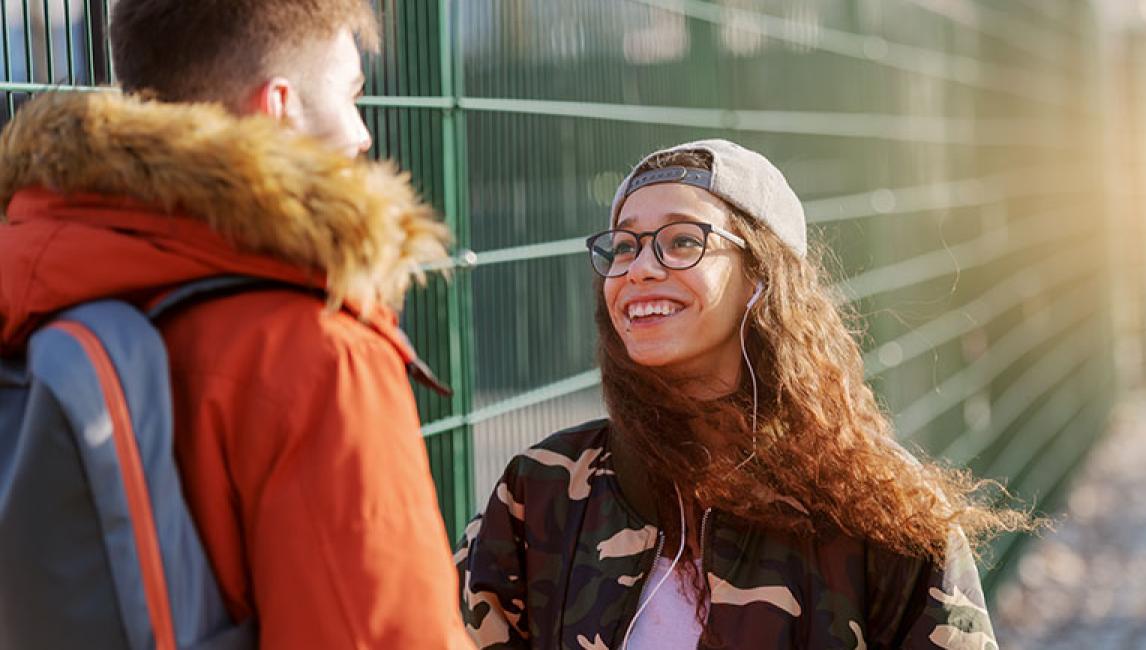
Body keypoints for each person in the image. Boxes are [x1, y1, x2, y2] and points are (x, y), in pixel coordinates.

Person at [0, 1, 469, 647]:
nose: (362, 134)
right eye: (350, 95)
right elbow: (375, 632)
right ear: (279, 107)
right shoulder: (318, 350)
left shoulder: (34, 284)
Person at [456, 140, 1029, 649]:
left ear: (760, 277)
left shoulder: (884, 515)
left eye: (682, 241)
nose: (640, 269)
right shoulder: (542, 489)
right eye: (624, 247)